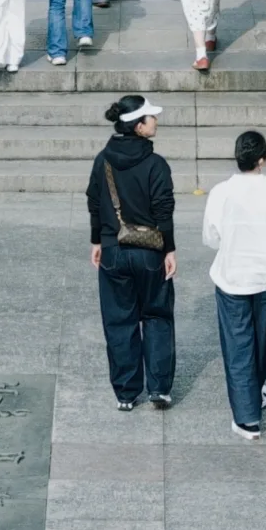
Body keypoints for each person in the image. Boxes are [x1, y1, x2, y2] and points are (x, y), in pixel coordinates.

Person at [203, 130, 266, 441]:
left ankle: (247, 417)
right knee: (263, 339)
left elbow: (211, 237)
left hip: (232, 276)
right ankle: (252, 395)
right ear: (262, 160)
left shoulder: (221, 192)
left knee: (238, 343)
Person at [87, 94, 176, 411]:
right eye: (152, 117)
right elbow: (164, 210)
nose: (156, 121)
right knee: (157, 316)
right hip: (150, 252)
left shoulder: (103, 160)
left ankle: (126, 393)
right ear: (139, 125)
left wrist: (97, 241)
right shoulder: (155, 164)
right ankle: (159, 389)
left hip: (113, 250)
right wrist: (169, 249)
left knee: (119, 321)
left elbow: (94, 203)